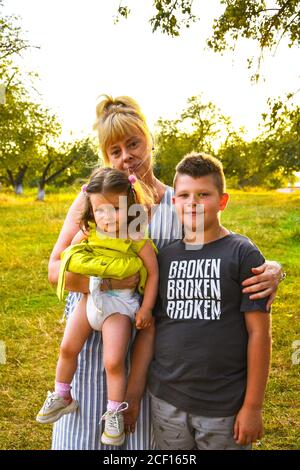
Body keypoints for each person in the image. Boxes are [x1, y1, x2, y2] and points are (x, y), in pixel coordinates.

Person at [48, 95, 282, 450]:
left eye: (133, 143)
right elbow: (56, 269)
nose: (126, 156)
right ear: (105, 156)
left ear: (149, 140)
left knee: (139, 441)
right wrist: (115, 281)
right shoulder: (96, 200)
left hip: (157, 350)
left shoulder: (178, 201)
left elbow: (222, 250)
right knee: (86, 437)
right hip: (98, 335)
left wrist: (274, 271)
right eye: (114, 151)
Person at [148, 152, 272, 450]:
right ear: (174, 202)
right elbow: (152, 325)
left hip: (224, 406)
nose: (193, 202)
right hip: (167, 400)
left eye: (203, 194)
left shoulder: (242, 253)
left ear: (223, 201)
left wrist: (252, 407)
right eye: (184, 195)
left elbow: (259, 333)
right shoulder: (163, 257)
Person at [37, 167, 158, 447]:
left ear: (129, 204)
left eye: (115, 209)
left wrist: (146, 308)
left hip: (119, 306)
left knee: (113, 361)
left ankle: (114, 413)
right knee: (68, 347)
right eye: (99, 210)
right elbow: (66, 258)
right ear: (91, 208)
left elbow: (153, 272)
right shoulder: (89, 232)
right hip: (89, 299)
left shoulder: (135, 236)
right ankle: (62, 395)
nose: (107, 217)